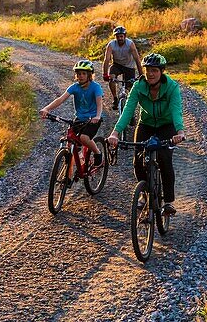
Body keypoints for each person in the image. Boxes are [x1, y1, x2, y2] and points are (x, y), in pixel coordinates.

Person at [107, 53, 185, 216]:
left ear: (162, 72)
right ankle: (144, 192)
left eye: (154, 70)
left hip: (166, 125)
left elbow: (176, 111)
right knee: (137, 161)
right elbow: (128, 111)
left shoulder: (172, 87)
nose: (150, 73)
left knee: (164, 158)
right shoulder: (138, 86)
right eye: (148, 70)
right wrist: (115, 133)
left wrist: (179, 131)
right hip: (146, 124)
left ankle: (168, 201)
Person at [40, 60, 105, 169]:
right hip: (79, 118)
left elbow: (99, 103)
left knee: (84, 138)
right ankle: (72, 173)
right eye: (78, 74)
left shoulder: (95, 87)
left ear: (89, 75)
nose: (81, 76)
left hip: (93, 119)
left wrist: (97, 116)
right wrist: (47, 109)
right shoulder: (74, 87)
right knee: (71, 142)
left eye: (84, 73)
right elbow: (60, 99)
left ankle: (98, 153)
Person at [103, 25, 142, 111]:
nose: (120, 38)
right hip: (117, 65)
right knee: (111, 79)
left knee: (130, 87)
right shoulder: (111, 44)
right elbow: (106, 60)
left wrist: (141, 74)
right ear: (115, 37)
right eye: (117, 36)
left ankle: (130, 107)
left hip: (129, 66)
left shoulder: (130, 44)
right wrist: (105, 74)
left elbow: (137, 59)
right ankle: (115, 98)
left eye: (121, 36)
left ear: (125, 36)